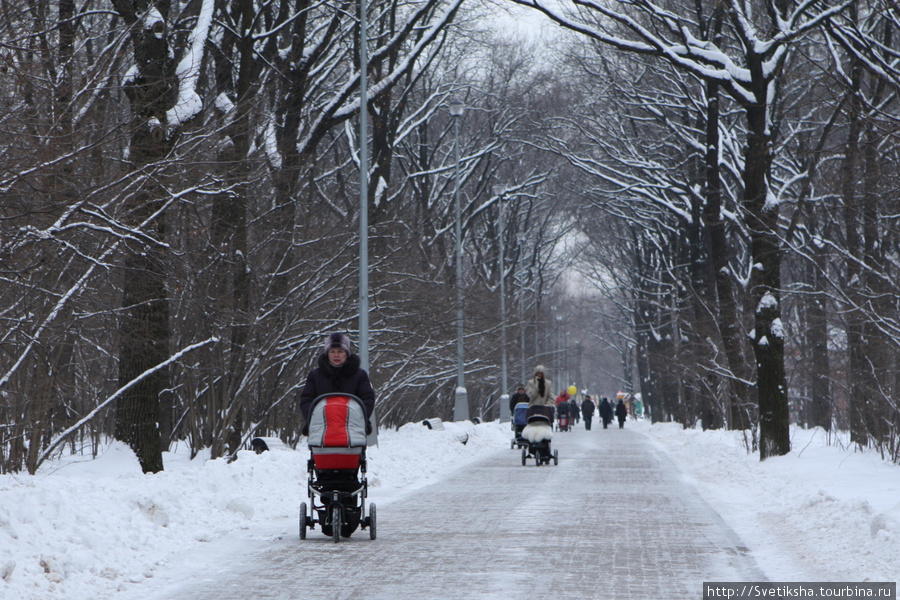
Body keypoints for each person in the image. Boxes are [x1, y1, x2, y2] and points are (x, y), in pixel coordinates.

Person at [299, 333, 375, 436]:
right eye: (332, 351)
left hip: (352, 426)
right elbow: (306, 399)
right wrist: (314, 417)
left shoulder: (359, 375)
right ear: (327, 353)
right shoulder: (315, 375)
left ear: (346, 353)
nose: (336, 355)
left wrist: (358, 417)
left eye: (340, 351)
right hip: (321, 426)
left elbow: (368, 399)